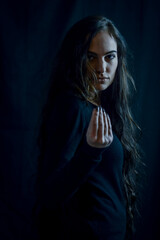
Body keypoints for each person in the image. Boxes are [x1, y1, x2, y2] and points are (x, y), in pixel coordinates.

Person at [35, 16, 141, 240]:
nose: (101, 68)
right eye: (91, 57)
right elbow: (50, 194)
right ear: (77, 59)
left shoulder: (101, 105)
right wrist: (90, 152)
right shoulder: (72, 107)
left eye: (109, 57)